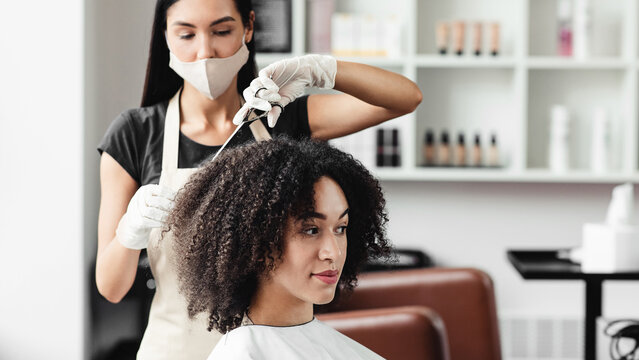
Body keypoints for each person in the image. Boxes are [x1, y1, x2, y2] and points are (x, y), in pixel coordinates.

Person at [95, 0, 421, 358]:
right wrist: (130, 232)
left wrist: (320, 69)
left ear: (248, 27)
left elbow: (405, 98)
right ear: (165, 37)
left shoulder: (281, 116)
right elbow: (111, 288)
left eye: (221, 31)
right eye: (186, 34)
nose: (205, 51)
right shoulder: (136, 134)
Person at [167, 137, 392, 359]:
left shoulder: (345, 349)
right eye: (311, 230)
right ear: (258, 239)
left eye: (341, 228)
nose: (334, 253)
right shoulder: (242, 353)